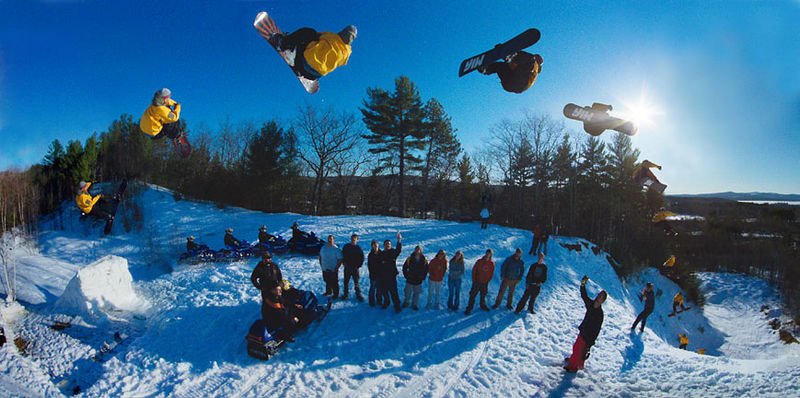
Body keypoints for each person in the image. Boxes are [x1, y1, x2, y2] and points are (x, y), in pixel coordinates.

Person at [271, 25, 357, 81]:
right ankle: (301, 70)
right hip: (314, 75)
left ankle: (284, 43)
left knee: (308, 32)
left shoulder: (332, 36)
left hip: (304, 62)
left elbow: (316, 35)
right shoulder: (347, 53)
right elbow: (342, 63)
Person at [564, 275, 607, 373]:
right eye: (599, 295)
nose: (598, 297)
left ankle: (573, 367)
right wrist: (583, 283)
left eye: (601, 297)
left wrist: (591, 342)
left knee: (579, 349)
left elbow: (597, 329)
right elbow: (583, 295)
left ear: (603, 301)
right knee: (576, 347)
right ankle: (573, 360)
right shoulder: (591, 304)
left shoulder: (600, 314)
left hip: (588, 335)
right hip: (583, 330)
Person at [377, 232, 403, 312]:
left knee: (393, 291)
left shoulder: (393, 252)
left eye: (389, 244)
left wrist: (399, 241)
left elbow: (398, 250)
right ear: (384, 245)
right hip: (383, 275)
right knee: (384, 290)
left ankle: (396, 304)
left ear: (390, 245)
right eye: (386, 244)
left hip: (391, 275)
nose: (387, 245)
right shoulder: (381, 253)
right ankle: (386, 302)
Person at [465, 249, 495, 315]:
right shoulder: (479, 261)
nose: (488, 255)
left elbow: (491, 273)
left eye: (489, 254)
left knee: (483, 295)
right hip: (477, 281)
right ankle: (469, 308)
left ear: (491, 255)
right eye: (487, 254)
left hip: (485, 282)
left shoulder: (491, 263)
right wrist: (474, 280)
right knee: (473, 295)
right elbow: (474, 271)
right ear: (485, 254)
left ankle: (482, 305)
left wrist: (488, 280)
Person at [402, 246, 429, 311]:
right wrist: (406, 275)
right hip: (410, 279)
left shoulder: (424, 259)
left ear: (421, 251)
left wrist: (423, 277)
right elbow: (404, 267)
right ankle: (406, 302)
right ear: (414, 250)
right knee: (407, 292)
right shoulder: (410, 258)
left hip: (418, 280)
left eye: (419, 250)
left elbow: (426, 269)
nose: (417, 251)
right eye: (416, 250)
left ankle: (415, 304)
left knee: (416, 293)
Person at [341, 233, 365, 301]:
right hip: (347, 267)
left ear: (357, 240)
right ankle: (345, 294)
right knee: (346, 282)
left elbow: (362, 258)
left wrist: (358, 266)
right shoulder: (346, 246)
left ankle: (358, 294)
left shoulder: (358, 248)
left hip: (355, 268)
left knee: (356, 282)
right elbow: (342, 255)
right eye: (352, 239)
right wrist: (344, 263)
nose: (353, 241)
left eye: (354, 239)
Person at [319, 235, 343, 299]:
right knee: (327, 281)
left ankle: (336, 294)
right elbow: (320, 256)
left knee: (334, 282)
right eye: (329, 239)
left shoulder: (336, 249)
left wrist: (337, 268)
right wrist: (321, 265)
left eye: (331, 239)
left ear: (333, 240)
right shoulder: (323, 248)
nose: (330, 240)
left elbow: (340, 259)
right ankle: (328, 292)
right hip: (325, 269)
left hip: (333, 269)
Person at [367, 240, 383, 307]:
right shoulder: (370, 255)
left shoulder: (381, 253)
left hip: (380, 275)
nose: (375, 247)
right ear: (372, 246)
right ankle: (371, 301)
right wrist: (372, 273)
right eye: (374, 246)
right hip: (373, 275)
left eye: (376, 245)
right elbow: (370, 265)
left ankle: (379, 300)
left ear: (378, 245)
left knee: (379, 289)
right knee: (372, 288)